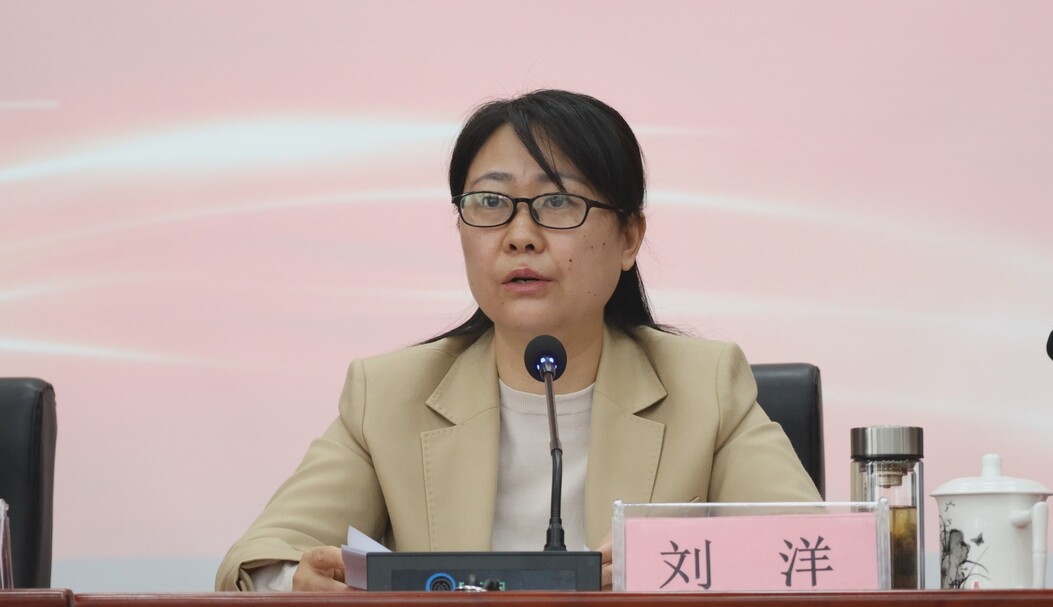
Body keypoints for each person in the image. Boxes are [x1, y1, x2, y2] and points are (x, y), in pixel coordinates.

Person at [215, 89, 821, 592]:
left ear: (629, 237)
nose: (520, 235)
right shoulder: (390, 395)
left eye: (558, 202)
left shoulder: (705, 387)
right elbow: (258, 561)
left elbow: (818, 556)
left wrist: (667, 565)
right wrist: (297, 584)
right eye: (490, 203)